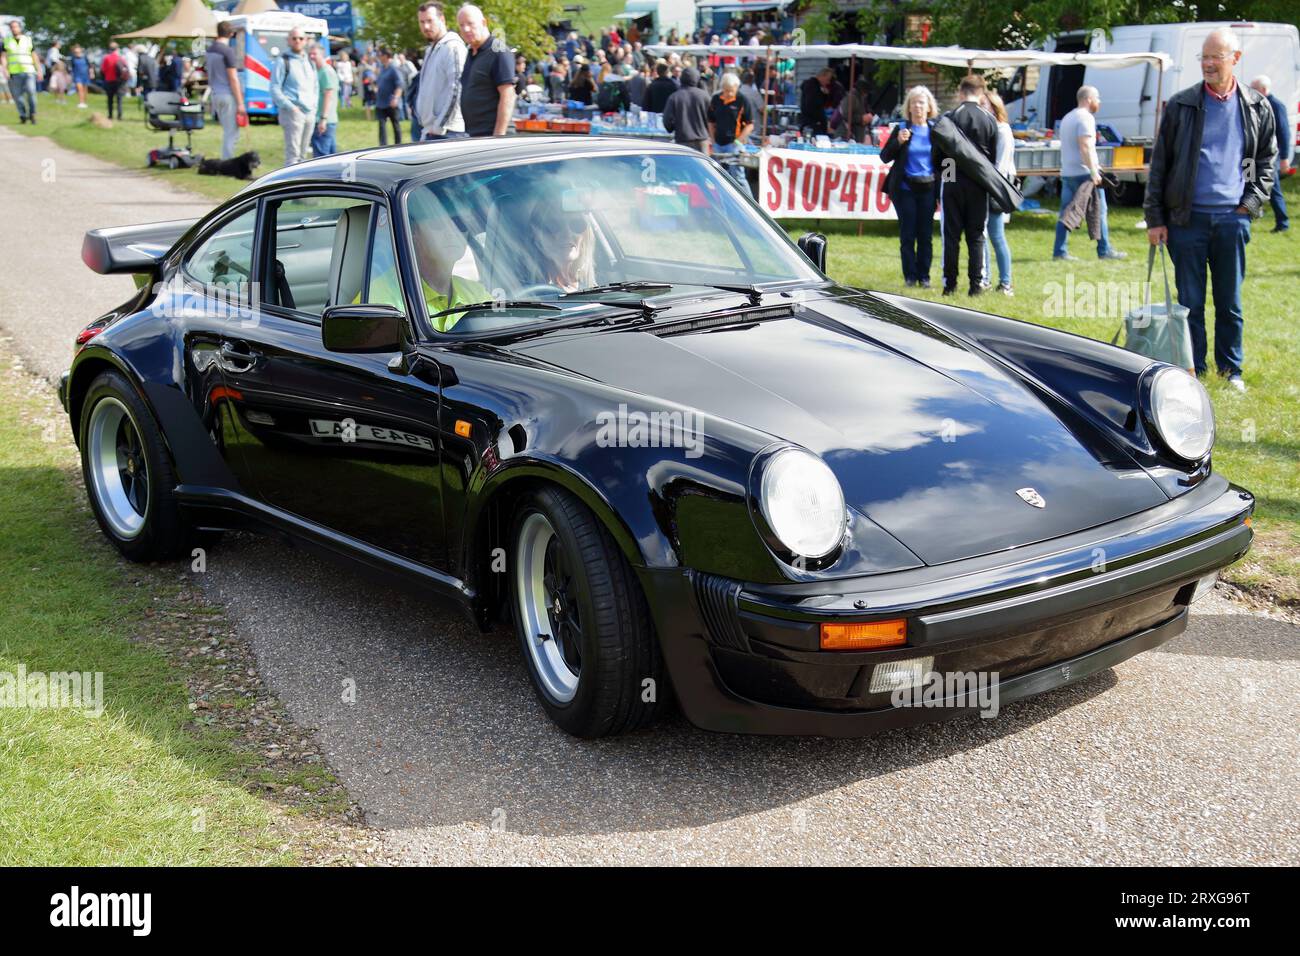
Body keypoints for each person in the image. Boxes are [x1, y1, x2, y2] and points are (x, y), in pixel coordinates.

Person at [1144, 28, 1276, 392]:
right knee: (1190, 302)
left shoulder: (1255, 106)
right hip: (1186, 221)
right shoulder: (1183, 104)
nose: (1208, 64)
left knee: (1229, 301)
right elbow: (1161, 166)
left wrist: (1248, 204)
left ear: (1235, 59)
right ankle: (1194, 369)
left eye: (1216, 57)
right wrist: (1155, 218)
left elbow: (1263, 161)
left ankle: (1231, 370)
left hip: (1232, 221)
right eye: (1204, 57)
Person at [936, 74, 998, 296]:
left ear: (961, 93)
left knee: (951, 236)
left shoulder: (950, 117)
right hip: (979, 184)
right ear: (981, 93)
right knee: (977, 235)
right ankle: (976, 285)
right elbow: (993, 159)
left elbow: (941, 154)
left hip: (953, 182)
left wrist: (949, 177)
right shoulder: (990, 120)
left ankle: (950, 284)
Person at [1053, 86, 1125, 261]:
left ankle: (1059, 251)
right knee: (1099, 211)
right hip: (1084, 173)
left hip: (1068, 172)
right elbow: (1085, 146)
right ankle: (1104, 250)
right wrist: (1094, 172)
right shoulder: (1085, 118)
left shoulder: (1068, 117)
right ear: (1089, 99)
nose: (1099, 102)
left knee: (1066, 213)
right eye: (1097, 98)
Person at [881, 85, 940, 288]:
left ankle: (924, 277)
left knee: (925, 235)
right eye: (914, 103)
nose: (917, 106)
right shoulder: (902, 129)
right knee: (907, 235)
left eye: (921, 102)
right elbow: (884, 157)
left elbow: (944, 161)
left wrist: (944, 188)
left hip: (928, 188)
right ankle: (910, 276)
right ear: (908, 107)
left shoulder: (935, 130)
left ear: (929, 106)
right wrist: (898, 142)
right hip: (905, 189)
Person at [457, 4, 515, 137]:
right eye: (461, 25)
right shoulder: (471, 53)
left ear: (483, 22)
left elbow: (508, 95)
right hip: (473, 134)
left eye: (471, 24)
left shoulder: (498, 51)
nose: (466, 29)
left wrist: (498, 137)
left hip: (493, 136)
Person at [415, 1, 466, 140]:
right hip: (431, 131)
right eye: (422, 22)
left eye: (430, 21)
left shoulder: (453, 47)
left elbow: (457, 89)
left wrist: (439, 126)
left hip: (449, 132)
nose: (426, 26)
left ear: (442, 19)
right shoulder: (431, 49)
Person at [981, 90, 1016, 295]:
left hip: (996, 188)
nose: (981, 108)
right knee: (984, 234)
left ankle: (1005, 282)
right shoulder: (988, 130)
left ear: (994, 107)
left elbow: (1000, 167)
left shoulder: (1002, 131)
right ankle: (987, 278)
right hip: (988, 185)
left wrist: (988, 186)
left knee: (995, 235)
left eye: (984, 105)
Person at [269, 28, 319, 166]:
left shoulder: (309, 61)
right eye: (294, 38)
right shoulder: (282, 61)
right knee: (293, 154)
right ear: (288, 40)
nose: (298, 41)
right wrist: (290, 107)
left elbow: (315, 85)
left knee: (303, 154)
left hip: (309, 111)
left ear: (305, 40)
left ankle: (302, 183)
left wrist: (314, 106)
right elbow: (274, 87)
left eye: (301, 38)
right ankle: (289, 185)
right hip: (292, 112)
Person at [1249, 75, 1292, 232]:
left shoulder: (1276, 105)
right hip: (1253, 153)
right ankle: (1251, 214)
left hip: (1270, 156)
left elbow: (1284, 133)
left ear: (1264, 90)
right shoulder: (1254, 104)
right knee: (1249, 182)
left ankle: (1283, 223)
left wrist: (1285, 158)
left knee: (1272, 189)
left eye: (1253, 88)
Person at [206, 22, 246, 161]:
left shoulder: (210, 50)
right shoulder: (227, 51)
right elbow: (233, 78)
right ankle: (227, 162)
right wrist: (240, 103)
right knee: (231, 133)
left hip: (215, 93)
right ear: (231, 34)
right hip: (228, 94)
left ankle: (226, 159)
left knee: (226, 130)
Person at [708, 72, 753, 191]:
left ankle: (750, 204)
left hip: (734, 145)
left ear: (737, 88)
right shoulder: (715, 99)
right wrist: (712, 140)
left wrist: (738, 141)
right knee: (717, 177)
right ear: (722, 88)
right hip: (718, 144)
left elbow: (750, 125)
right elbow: (711, 122)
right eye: (726, 90)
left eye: (732, 90)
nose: (729, 93)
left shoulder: (742, 100)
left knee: (739, 178)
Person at [662, 66, 710, 152]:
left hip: (682, 140)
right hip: (702, 140)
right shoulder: (705, 96)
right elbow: (712, 118)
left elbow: (667, 121)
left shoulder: (674, 97)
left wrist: (672, 128)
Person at [310, 43, 338, 156]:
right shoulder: (318, 71)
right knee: (331, 157)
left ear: (322, 55)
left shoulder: (326, 72)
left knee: (320, 158)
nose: (311, 56)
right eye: (310, 54)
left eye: (314, 54)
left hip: (324, 120)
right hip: (326, 120)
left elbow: (328, 95)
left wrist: (323, 119)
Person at [374, 47, 405, 145]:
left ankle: (398, 145)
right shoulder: (382, 68)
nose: (379, 57)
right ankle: (382, 146)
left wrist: (396, 98)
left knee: (395, 124)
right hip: (381, 102)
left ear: (386, 56)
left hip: (391, 102)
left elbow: (400, 84)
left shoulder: (394, 68)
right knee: (382, 125)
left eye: (380, 55)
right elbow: (379, 82)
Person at [833, 76, 873, 143]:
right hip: (846, 136)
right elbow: (846, 115)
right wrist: (862, 118)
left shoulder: (858, 98)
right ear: (863, 91)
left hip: (852, 136)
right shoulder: (851, 98)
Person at [99, 42, 126, 121]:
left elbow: (103, 70)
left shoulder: (106, 58)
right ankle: (119, 116)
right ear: (117, 49)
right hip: (120, 82)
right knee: (119, 100)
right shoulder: (121, 58)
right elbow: (125, 69)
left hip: (109, 80)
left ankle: (110, 115)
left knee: (110, 99)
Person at [69, 43, 89, 109]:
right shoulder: (73, 59)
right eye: (75, 52)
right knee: (79, 89)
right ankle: (81, 102)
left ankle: (85, 102)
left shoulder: (85, 57)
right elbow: (71, 68)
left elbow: (89, 66)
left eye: (78, 52)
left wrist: (91, 73)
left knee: (85, 89)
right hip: (77, 76)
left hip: (85, 75)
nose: (77, 53)